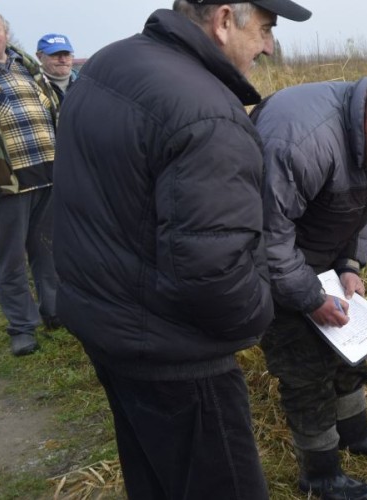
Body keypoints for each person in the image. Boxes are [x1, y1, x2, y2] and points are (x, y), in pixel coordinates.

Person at [51, 1, 310, 498]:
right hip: (178, 359)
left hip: (107, 326)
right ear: (224, 19)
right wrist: (260, 312)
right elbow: (215, 275)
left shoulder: (111, 62)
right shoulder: (210, 115)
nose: (269, 46)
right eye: (265, 28)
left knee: (154, 477)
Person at [251, 77, 367, 500]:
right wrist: (309, 298)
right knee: (305, 370)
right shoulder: (299, 141)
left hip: (320, 261)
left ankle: (355, 435)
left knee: (346, 347)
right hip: (271, 264)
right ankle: (319, 474)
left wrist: (350, 264)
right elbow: (267, 237)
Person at [0, 4, 61, 356]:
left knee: (49, 251)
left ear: (5, 33)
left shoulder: (26, 66)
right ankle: (22, 328)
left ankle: (54, 311)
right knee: (10, 259)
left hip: (48, 174)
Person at [35, 33, 76, 102]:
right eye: (56, 54)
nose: (63, 60)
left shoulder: (85, 84)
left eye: (66, 55)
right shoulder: (30, 85)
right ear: (39, 56)